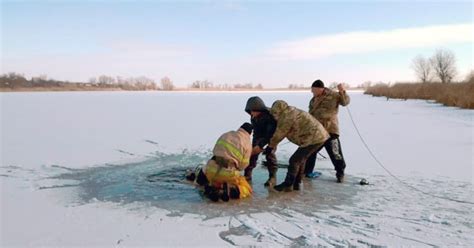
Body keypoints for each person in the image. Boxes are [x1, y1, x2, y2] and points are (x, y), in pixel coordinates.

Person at [264, 100, 330, 192]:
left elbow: (279, 134)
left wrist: (270, 146)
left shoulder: (286, 117)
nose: (274, 116)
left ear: (279, 111)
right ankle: (296, 183)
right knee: (300, 160)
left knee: (294, 160)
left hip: (314, 138)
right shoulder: (288, 111)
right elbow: (272, 112)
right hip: (317, 137)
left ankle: (288, 184)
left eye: (275, 113)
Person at [185, 123, 253, 201]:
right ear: (250, 133)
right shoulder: (247, 143)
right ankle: (229, 191)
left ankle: (209, 187)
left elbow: (215, 151)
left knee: (206, 171)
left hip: (211, 171)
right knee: (246, 189)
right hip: (228, 175)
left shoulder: (226, 135)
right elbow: (243, 166)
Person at [304, 79, 350, 183]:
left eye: (314, 90)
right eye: (312, 90)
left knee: (335, 153)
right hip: (317, 131)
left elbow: (345, 102)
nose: (312, 92)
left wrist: (342, 91)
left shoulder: (333, 95)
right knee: (310, 151)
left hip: (330, 131)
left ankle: (340, 173)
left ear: (321, 89)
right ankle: (307, 172)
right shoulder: (313, 100)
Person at [244, 96, 278, 186]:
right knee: (252, 155)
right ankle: (247, 174)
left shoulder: (270, 117)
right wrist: (255, 144)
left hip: (272, 137)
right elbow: (256, 131)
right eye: (250, 111)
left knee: (270, 155)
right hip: (259, 136)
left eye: (252, 111)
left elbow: (270, 134)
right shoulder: (253, 117)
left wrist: (261, 145)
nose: (251, 113)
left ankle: (272, 177)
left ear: (258, 109)